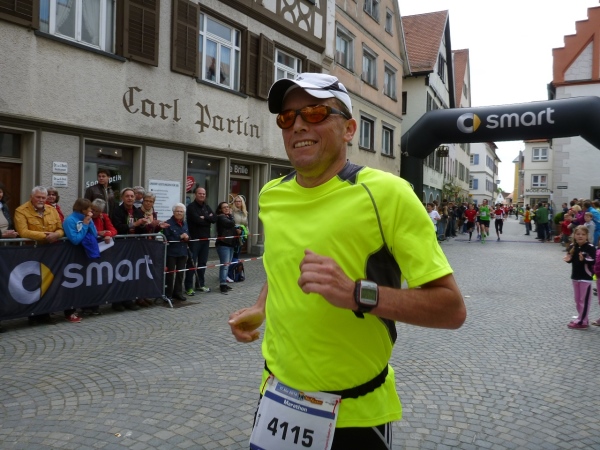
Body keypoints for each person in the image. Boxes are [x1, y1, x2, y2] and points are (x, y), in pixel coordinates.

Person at [228, 73, 466, 448]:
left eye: (316, 112)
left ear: (349, 129)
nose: (298, 125)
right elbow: (282, 265)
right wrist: (261, 306)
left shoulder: (388, 193)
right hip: (276, 397)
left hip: (353, 413)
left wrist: (357, 293)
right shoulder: (272, 194)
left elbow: (451, 309)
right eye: (287, 117)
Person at [14, 186, 69, 325]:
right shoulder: (21, 210)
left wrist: (56, 234)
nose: (41, 200)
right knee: (33, 283)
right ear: (31, 197)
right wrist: (46, 236)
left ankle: (46, 314)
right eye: (38, 197)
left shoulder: (52, 210)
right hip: (31, 251)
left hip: (50, 252)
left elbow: (60, 228)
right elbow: (23, 232)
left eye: (43, 198)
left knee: (49, 282)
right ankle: (33, 316)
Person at [110, 187, 148, 311]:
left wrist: (142, 225)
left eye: (132, 196)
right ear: (122, 198)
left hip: (134, 246)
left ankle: (128, 300)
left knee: (131, 274)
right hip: (121, 246)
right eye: (127, 196)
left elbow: (142, 230)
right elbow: (117, 227)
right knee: (119, 273)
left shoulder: (137, 211)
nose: (130, 198)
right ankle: (117, 302)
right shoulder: (117, 211)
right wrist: (134, 224)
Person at [563, 225, 596, 329]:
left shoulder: (590, 247)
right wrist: (568, 260)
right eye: (578, 234)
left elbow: (593, 260)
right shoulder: (573, 246)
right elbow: (571, 259)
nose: (580, 236)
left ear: (587, 236)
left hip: (586, 278)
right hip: (575, 276)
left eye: (583, 234)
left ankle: (583, 322)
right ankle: (581, 317)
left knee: (584, 300)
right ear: (574, 235)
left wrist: (584, 259)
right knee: (577, 300)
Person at [185, 187, 216, 296]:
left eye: (204, 194)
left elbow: (214, 219)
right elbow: (197, 220)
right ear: (195, 194)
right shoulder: (191, 207)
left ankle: (200, 284)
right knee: (192, 263)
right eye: (200, 193)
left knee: (202, 263)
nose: (202, 195)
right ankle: (188, 287)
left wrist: (204, 217)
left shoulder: (206, 206)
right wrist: (207, 219)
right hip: (195, 240)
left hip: (205, 239)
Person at [162, 203, 190, 302]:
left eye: (181, 211)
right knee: (170, 274)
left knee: (180, 273)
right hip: (171, 252)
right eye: (177, 211)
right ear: (173, 212)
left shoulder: (185, 223)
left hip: (182, 252)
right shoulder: (168, 223)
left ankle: (178, 292)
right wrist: (179, 237)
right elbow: (166, 238)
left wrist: (187, 237)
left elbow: (188, 235)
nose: (179, 213)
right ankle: (168, 294)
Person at [215, 201, 237, 294]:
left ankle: (224, 282)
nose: (227, 208)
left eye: (227, 207)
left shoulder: (227, 217)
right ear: (220, 209)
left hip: (230, 243)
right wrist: (231, 216)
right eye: (224, 207)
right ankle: (222, 284)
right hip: (223, 244)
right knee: (224, 265)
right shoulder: (221, 217)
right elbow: (231, 224)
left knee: (228, 264)